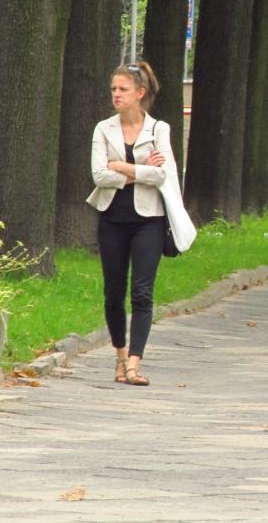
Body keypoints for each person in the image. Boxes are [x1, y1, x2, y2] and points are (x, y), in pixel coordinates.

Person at [87, 61, 173, 387]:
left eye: (123, 90)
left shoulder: (158, 130)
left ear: (140, 93)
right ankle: (120, 358)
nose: (116, 95)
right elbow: (98, 174)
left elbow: (161, 174)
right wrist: (139, 171)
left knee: (141, 292)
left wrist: (120, 166)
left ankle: (135, 364)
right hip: (112, 219)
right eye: (113, 89)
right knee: (113, 293)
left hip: (149, 220)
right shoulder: (103, 129)